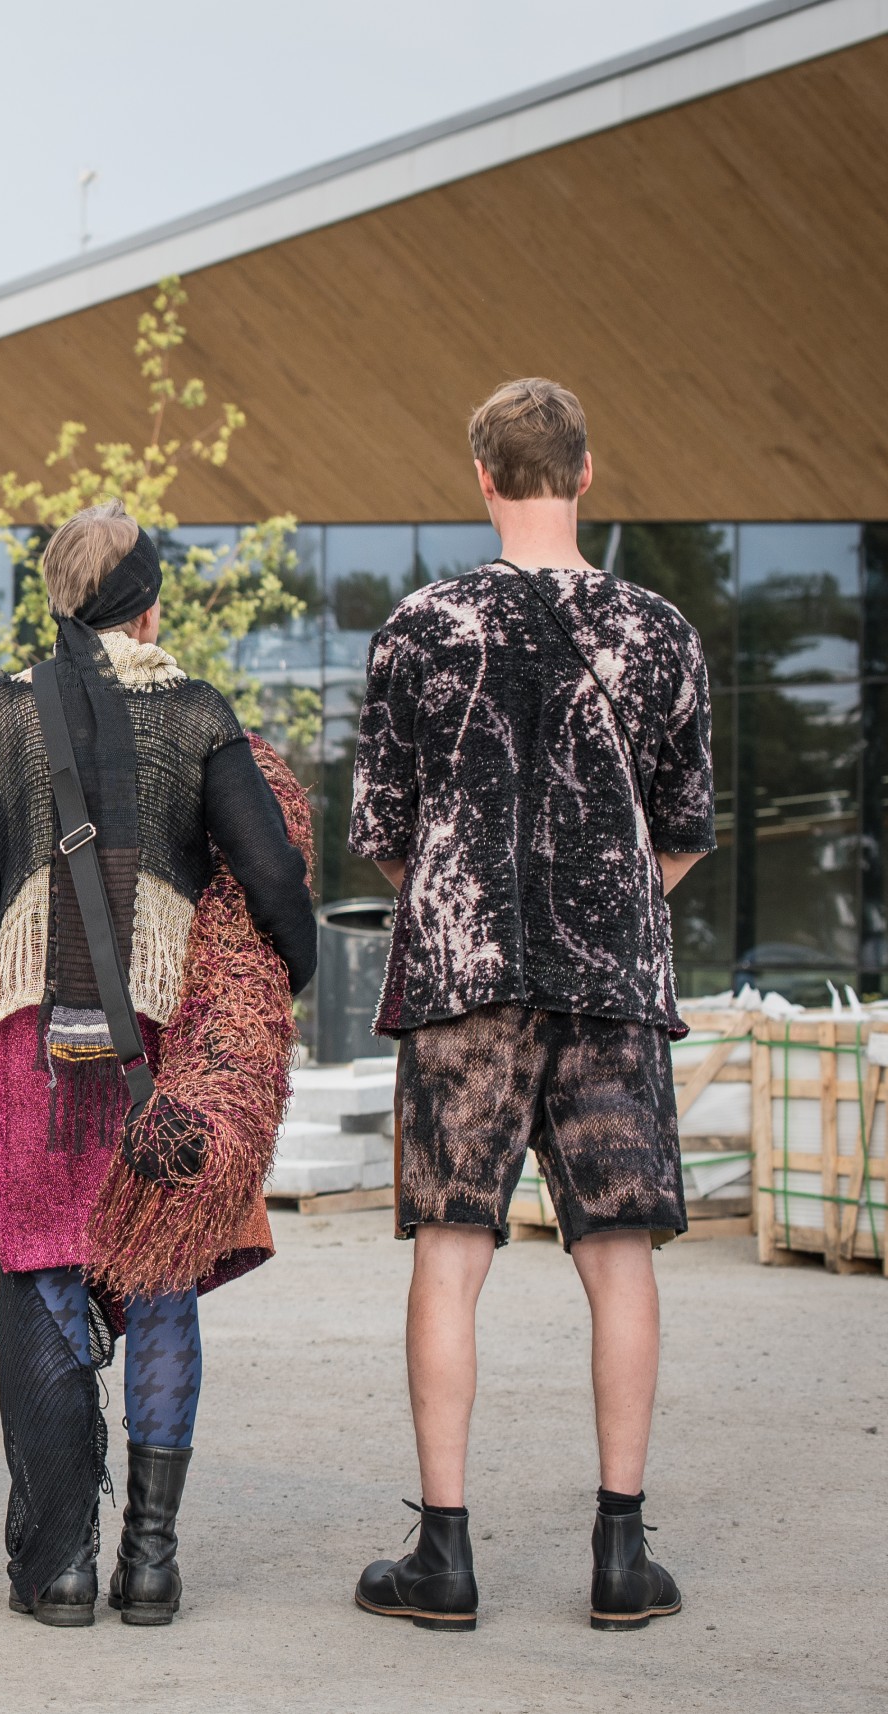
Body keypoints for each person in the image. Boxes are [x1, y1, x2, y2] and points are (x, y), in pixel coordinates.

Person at [348, 378, 712, 1633]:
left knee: (452, 1259)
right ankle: (623, 1553)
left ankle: (443, 1556)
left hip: (465, 983)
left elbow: (386, 833)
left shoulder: (420, 626)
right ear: (588, 474)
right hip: (611, 980)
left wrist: (462, 900)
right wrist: (610, 906)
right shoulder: (659, 630)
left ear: (484, 479)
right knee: (620, 1262)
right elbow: (685, 833)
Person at [0, 503, 316, 1627]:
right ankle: (149, 1563)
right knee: (159, 1273)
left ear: (58, 604)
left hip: (23, 1038)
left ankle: (56, 1568)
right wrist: (276, 983)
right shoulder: (197, 712)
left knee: (45, 1270)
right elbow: (273, 872)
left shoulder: (3, 715)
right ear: (150, 603)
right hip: (159, 1035)